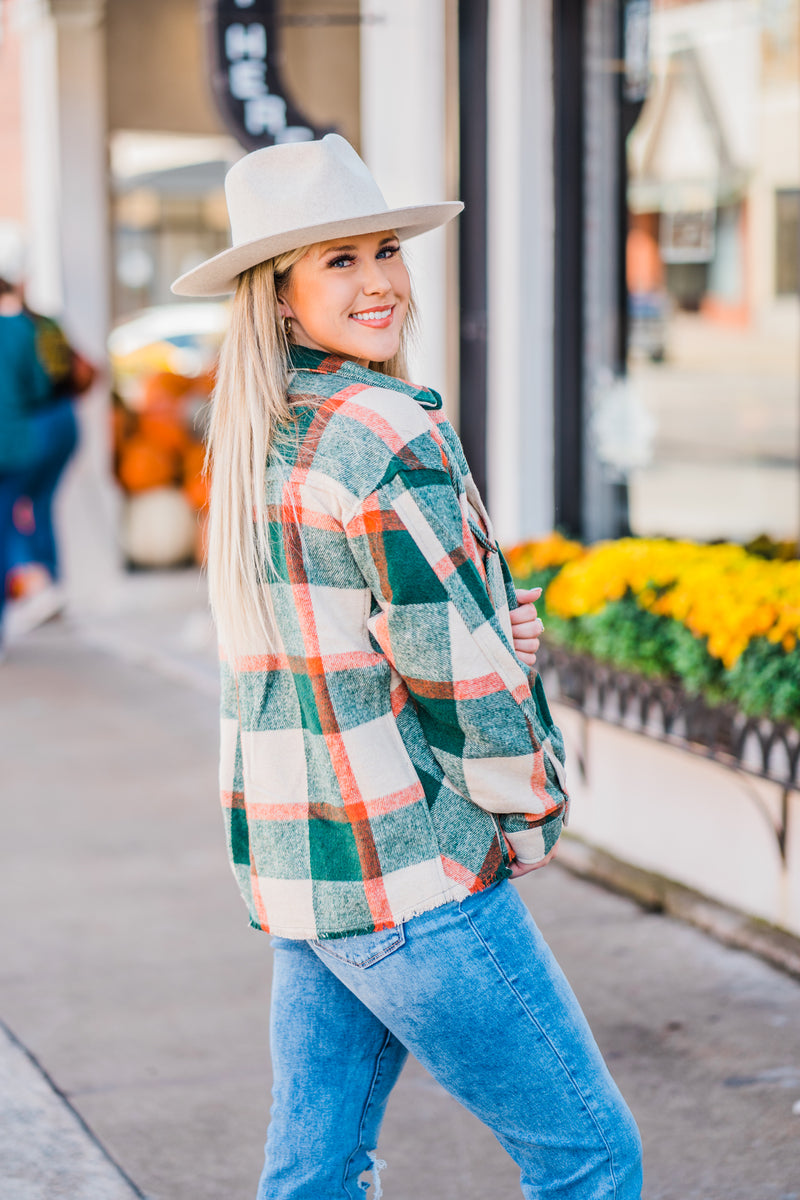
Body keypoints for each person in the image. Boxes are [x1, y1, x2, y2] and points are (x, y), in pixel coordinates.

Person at [172, 135, 643, 1199]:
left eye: (383, 248)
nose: (380, 279)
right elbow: (460, 677)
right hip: (408, 863)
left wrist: (479, 635)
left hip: (306, 869)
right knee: (591, 1162)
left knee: (315, 1175)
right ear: (278, 298)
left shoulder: (256, 439)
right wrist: (527, 816)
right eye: (337, 261)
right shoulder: (385, 431)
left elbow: (339, 646)